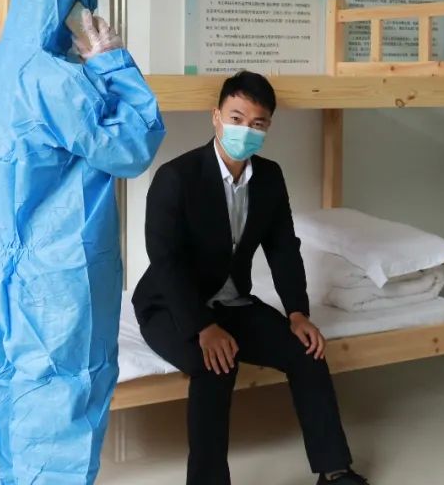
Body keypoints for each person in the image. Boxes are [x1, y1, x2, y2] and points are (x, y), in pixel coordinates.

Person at [0, 0, 165, 484]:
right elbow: (134, 145)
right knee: (62, 416)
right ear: (72, 7)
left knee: (9, 404)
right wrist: (112, 61)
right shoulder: (56, 80)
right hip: (56, 281)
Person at [132, 71, 368, 485]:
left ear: (267, 127)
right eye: (236, 118)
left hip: (233, 302)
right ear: (216, 117)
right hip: (171, 306)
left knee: (306, 351)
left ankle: (334, 471)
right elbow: (165, 261)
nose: (246, 130)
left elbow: (283, 248)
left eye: (257, 123)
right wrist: (203, 327)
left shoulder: (269, 178)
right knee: (215, 365)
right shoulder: (176, 176)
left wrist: (297, 312)